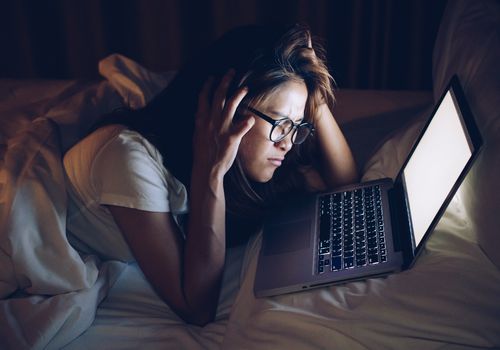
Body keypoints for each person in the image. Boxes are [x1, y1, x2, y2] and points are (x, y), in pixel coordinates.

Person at [63, 23, 358, 326]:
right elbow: (196, 307)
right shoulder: (127, 160)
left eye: (297, 126)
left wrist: (315, 95)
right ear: (225, 109)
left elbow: (348, 188)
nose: (287, 142)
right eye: (280, 124)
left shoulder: (262, 150)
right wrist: (211, 169)